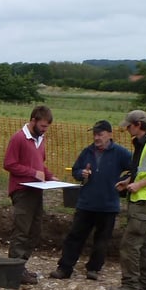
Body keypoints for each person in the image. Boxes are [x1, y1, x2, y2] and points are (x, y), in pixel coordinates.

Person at [49, 120, 132, 281]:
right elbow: (75, 170)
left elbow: (135, 168)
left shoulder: (120, 153)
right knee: (74, 236)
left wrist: (126, 180)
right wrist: (81, 173)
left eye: (100, 134)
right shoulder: (87, 151)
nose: (96, 137)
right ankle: (64, 268)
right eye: (95, 134)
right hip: (86, 203)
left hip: (108, 205)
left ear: (110, 134)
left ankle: (94, 269)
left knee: (102, 240)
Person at [3, 105, 58, 285]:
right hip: (22, 190)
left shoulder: (40, 140)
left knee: (35, 231)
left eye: (46, 127)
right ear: (33, 120)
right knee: (21, 230)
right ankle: (14, 269)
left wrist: (50, 176)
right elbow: (9, 164)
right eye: (42, 126)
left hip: (36, 190)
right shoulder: (18, 138)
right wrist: (33, 173)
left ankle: (21, 266)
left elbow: (40, 165)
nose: (44, 130)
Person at [109, 110, 146, 290]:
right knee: (143, 242)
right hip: (141, 198)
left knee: (130, 244)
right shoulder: (141, 143)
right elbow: (142, 170)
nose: (127, 129)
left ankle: (130, 286)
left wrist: (139, 185)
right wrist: (129, 179)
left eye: (129, 126)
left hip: (145, 199)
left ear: (138, 124)